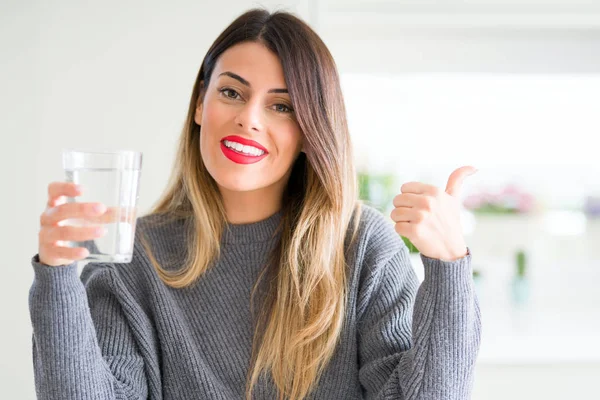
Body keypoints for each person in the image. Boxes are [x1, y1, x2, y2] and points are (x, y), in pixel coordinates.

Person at [30, 8, 481, 400]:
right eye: (231, 92)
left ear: (310, 133)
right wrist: (57, 276)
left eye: (282, 106)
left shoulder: (362, 246)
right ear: (200, 104)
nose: (248, 117)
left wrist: (448, 267)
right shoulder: (130, 259)